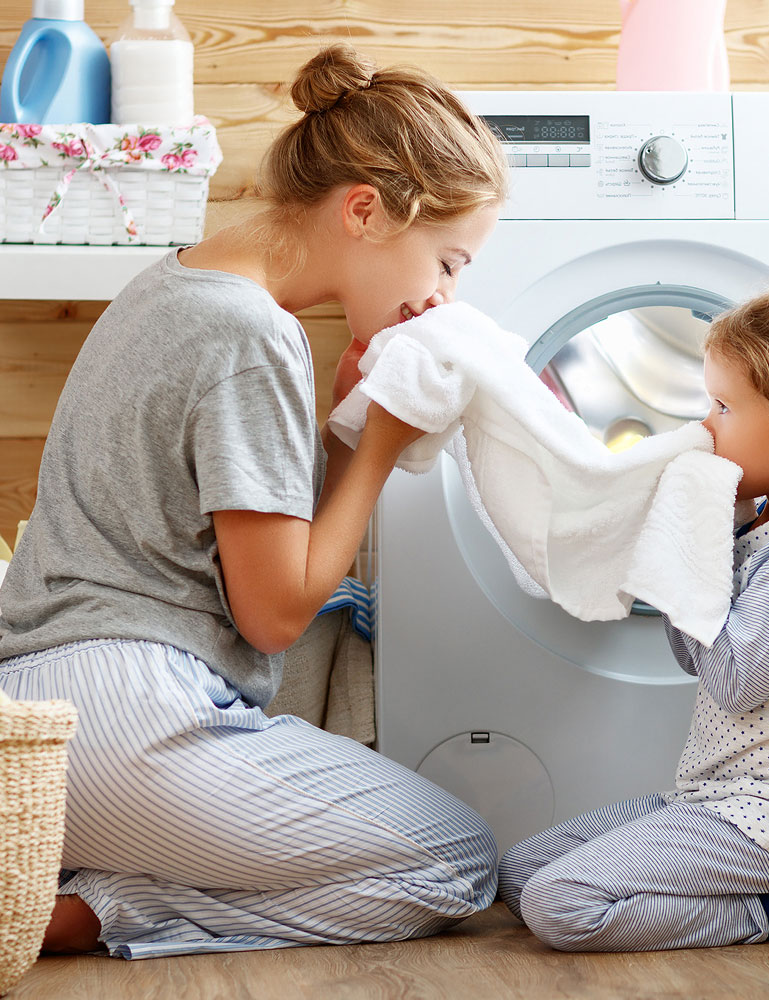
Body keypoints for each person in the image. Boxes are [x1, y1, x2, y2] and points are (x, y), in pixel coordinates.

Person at [0, 43, 507, 958]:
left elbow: (221, 531)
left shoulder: (173, 283)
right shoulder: (253, 333)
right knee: (460, 858)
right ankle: (78, 915)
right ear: (365, 211)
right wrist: (383, 445)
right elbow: (272, 611)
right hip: (129, 718)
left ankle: (71, 884)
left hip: (36, 725)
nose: (442, 296)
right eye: (448, 260)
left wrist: (342, 434)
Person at [497, 278, 769, 951]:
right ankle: (750, 896)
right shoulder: (763, 522)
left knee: (559, 904)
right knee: (520, 872)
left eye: (725, 406)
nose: (706, 424)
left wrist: (696, 553)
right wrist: (693, 534)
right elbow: (693, 657)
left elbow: (735, 681)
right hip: (716, 803)